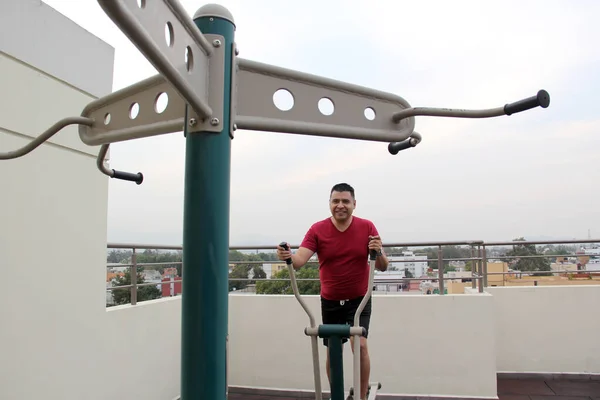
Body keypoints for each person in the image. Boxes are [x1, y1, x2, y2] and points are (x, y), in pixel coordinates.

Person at [276, 182, 389, 400]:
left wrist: (378, 251)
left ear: (354, 204)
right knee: (333, 350)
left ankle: (362, 394)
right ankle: (336, 393)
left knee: (361, 345)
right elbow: (299, 261)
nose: (340, 206)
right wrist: (287, 256)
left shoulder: (367, 227)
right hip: (331, 300)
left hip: (359, 300)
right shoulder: (317, 229)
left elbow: (383, 265)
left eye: (345, 201)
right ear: (329, 204)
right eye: (336, 201)